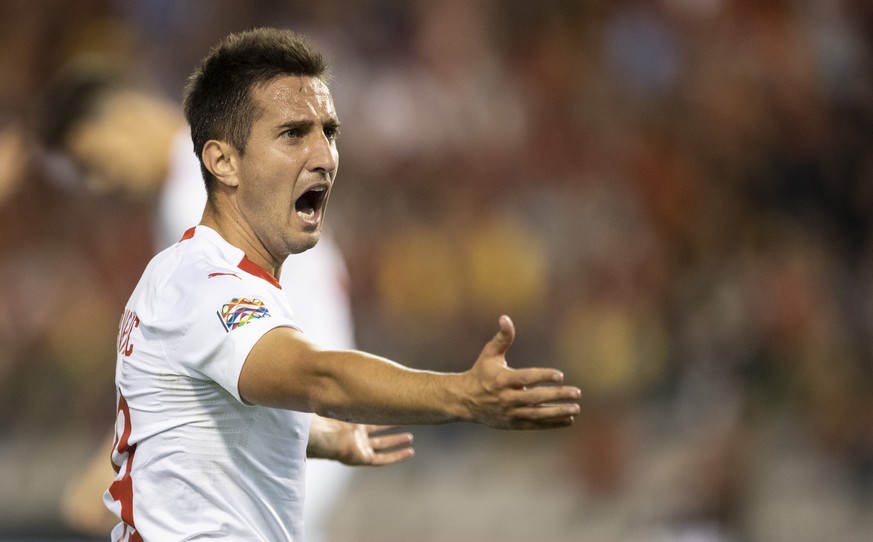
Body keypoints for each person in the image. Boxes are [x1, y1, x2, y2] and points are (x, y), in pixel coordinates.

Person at [97, 27, 580, 541]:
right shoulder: (203, 281)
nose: (324, 156)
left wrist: (315, 436)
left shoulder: (215, 279)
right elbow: (318, 378)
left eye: (328, 131)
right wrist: (463, 396)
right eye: (292, 134)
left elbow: (203, 419)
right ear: (223, 161)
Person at [38, 58, 356, 539]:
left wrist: (118, 462)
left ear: (123, 114)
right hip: (293, 420)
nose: (101, 183)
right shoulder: (219, 164)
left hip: (277, 429)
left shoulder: (198, 195)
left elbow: (197, 357)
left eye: (93, 163)